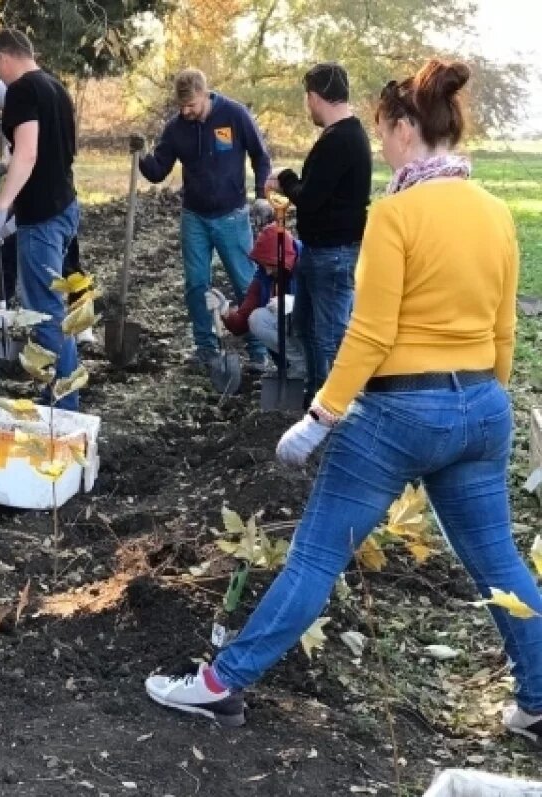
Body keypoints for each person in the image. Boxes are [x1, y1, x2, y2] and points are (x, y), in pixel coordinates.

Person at [145, 60, 539, 740]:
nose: (381, 145)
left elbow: (371, 332)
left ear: (407, 127)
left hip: (398, 415)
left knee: (315, 556)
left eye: (385, 131)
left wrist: (320, 415)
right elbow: (505, 331)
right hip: (481, 406)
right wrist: (474, 405)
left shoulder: (395, 214)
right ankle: (540, 698)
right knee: (499, 561)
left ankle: (220, 683)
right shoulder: (496, 212)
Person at [0, 29, 82, 410]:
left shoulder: (21, 90)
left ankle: (64, 405)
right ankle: (59, 390)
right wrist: (3, 167)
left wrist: (1, 208)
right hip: (66, 206)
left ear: (2, 58)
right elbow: (53, 151)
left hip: (42, 218)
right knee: (53, 308)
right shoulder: (56, 88)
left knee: (45, 314)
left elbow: (29, 153)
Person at [139, 68, 272, 374]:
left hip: (232, 215)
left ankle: (258, 351)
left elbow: (260, 155)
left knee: (246, 283)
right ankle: (205, 349)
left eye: (191, 105)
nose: (186, 112)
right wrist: (142, 155)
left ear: (204, 94)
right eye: (181, 106)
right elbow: (158, 170)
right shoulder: (176, 128)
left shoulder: (234, 115)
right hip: (195, 217)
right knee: (196, 284)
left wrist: (262, 194)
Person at [268, 62, 372, 399]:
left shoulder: (340, 140)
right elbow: (320, 191)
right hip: (321, 251)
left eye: (307, 97)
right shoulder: (343, 135)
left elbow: (310, 198)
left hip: (333, 254)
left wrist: (285, 178)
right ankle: (316, 399)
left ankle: (337, 408)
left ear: (314, 97)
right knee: (307, 329)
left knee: (329, 338)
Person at [210, 223, 306, 379]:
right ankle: (299, 366)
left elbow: (331, 312)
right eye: (264, 265)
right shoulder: (264, 277)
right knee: (258, 318)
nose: (267, 271)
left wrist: (296, 304)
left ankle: (318, 370)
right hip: (296, 342)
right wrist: (224, 310)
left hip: (319, 341)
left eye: (271, 265)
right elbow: (243, 322)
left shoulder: (310, 263)